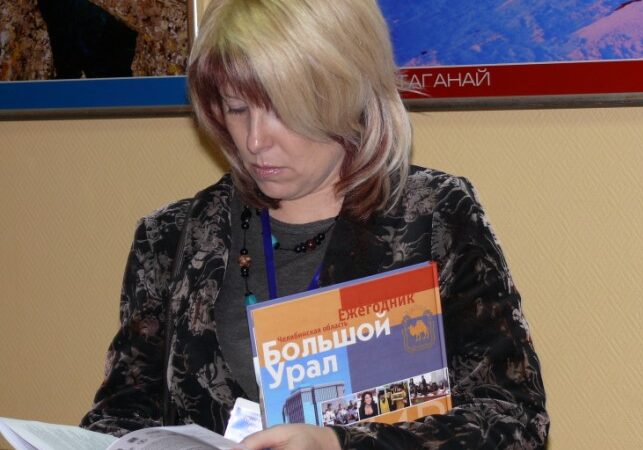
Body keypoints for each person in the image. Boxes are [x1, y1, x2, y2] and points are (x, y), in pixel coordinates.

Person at [81, 0, 549, 448]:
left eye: (281, 109)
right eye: (237, 108)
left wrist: (338, 445)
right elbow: (121, 419)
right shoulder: (170, 237)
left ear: (346, 94)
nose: (255, 141)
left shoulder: (434, 217)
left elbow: (512, 419)